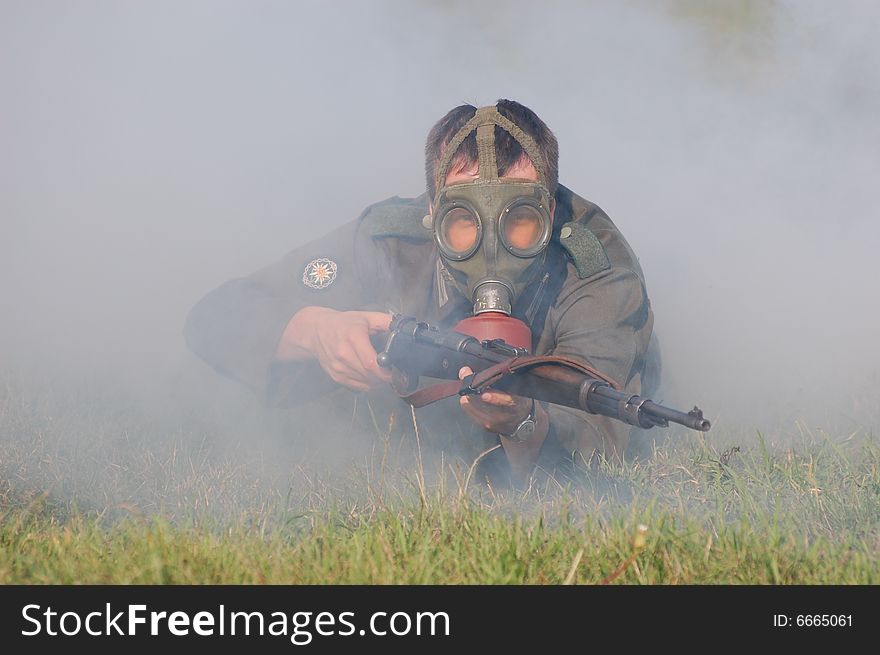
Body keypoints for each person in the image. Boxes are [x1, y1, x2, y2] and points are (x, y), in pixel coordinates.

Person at [184, 100, 657, 484]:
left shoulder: (594, 265)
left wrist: (525, 422)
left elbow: (602, 432)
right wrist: (315, 329)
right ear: (432, 211)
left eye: (520, 220)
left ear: (551, 212)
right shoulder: (392, 242)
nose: (491, 246)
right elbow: (216, 319)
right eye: (464, 221)